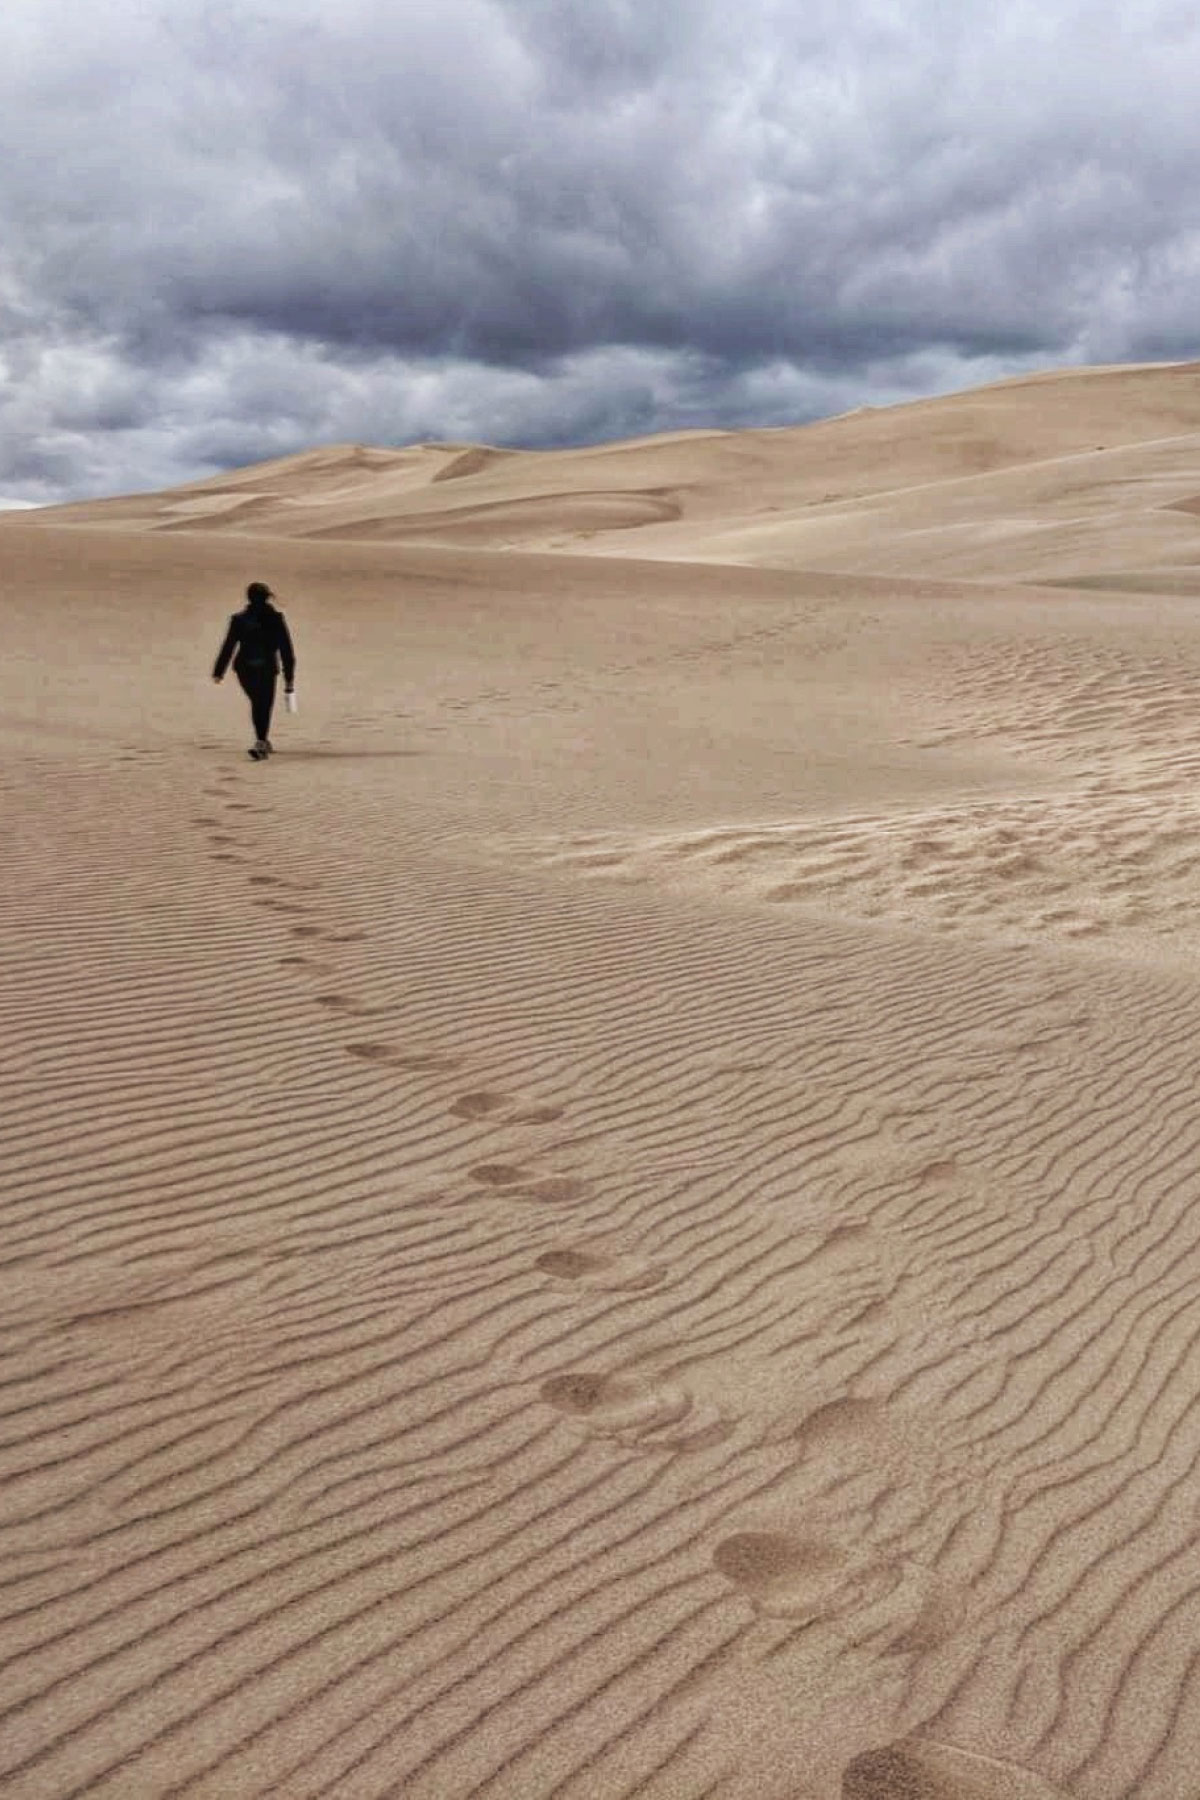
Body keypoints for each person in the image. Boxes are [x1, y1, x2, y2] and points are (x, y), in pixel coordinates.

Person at [212, 582, 296, 759]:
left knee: (259, 703)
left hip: (245, 668)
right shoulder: (275, 619)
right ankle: (261, 742)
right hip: (265, 669)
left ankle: (262, 741)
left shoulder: (240, 619)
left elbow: (229, 646)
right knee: (262, 704)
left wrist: (219, 671)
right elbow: (286, 649)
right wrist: (289, 678)